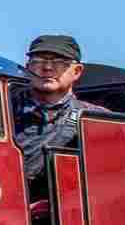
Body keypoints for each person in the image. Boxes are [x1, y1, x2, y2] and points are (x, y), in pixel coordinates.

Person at [14, 34, 86, 190]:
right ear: (27, 68)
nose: (47, 68)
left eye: (59, 62)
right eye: (38, 61)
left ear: (77, 71)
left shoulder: (91, 118)